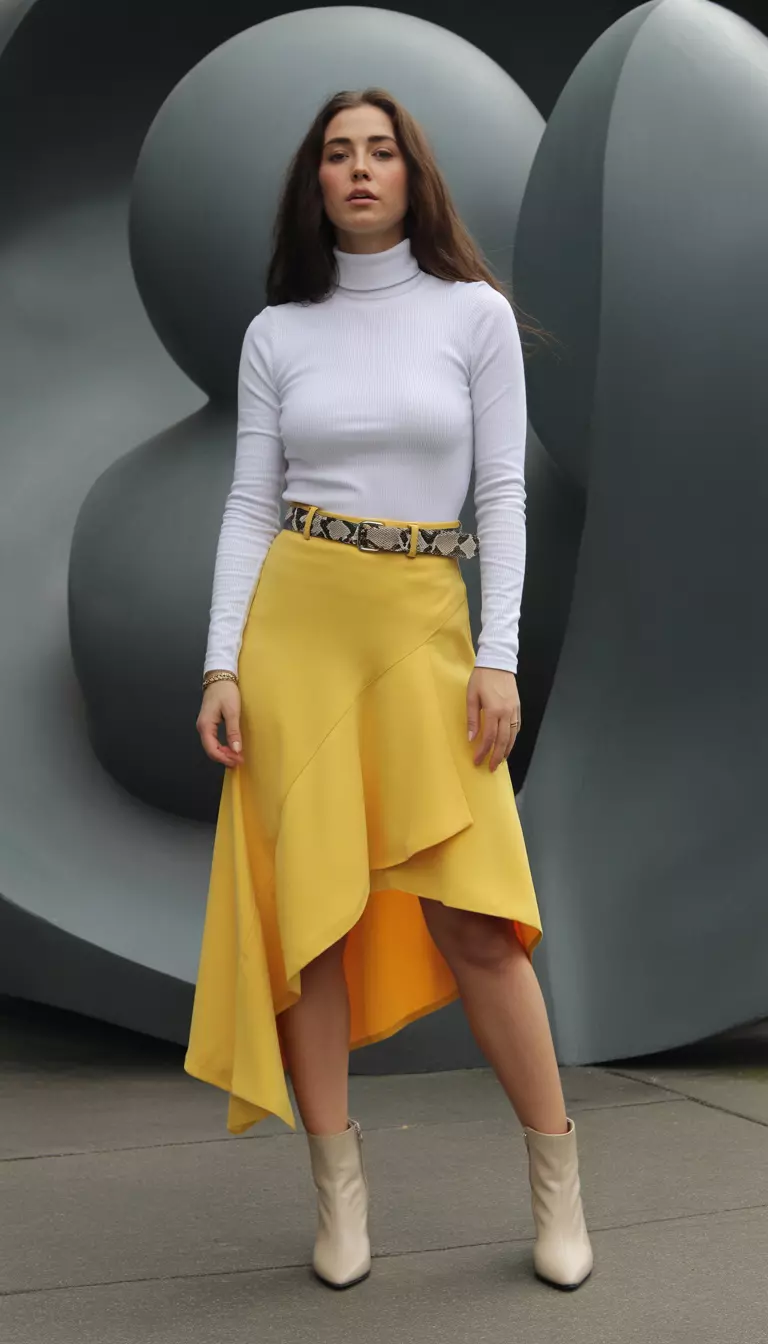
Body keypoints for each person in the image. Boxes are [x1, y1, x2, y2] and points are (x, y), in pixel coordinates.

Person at [185, 87, 593, 1295]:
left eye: (380, 153)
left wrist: (501, 656)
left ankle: (558, 1182)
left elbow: (504, 498)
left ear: (414, 174)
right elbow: (253, 502)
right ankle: (339, 1199)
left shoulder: (472, 315)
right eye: (336, 155)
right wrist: (220, 660)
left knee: (475, 918)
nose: (359, 171)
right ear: (315, 183)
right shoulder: (279, 333)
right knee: (308, 934)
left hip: (425, 625)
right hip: (295, 631)